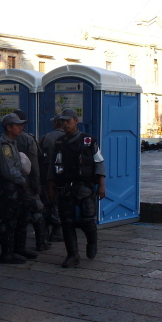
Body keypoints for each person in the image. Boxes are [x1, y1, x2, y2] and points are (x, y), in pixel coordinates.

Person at [47, 108, 106, 268]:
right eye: (62, 121)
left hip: (84, 187)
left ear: (75, 121)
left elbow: (98, 161)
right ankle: (72, 254)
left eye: (68, 121)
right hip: (65, 187)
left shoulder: (89, 140)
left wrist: (101, 184)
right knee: (67, 222)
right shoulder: (59, 143)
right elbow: (53, 164)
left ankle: (92, 242)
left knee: (87, 220)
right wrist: (51, 185)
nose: (65, 124)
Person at [0, 113, 34, 264]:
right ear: (9, 128)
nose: (21, 127)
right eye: (18, 125)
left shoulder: (12, 143)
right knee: (9, 221)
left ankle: (19, 249)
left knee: (21, 219)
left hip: (16, 189)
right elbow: (8, 171)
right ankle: (7, 253)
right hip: (9, 189)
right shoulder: (4, 147)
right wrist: (22, 181)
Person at [13, 109, 47, 252]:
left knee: (17, 212)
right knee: (37, 209)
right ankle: (41, 242)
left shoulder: (6, 138)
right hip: (28, 181)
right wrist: (36, 182)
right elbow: (34, 162)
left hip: (13, 182)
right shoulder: (28, 139)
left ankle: (17, 243)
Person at [38, 114, 64, 242]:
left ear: (56, 123)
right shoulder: (70, 137)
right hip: (63, 178)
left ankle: (44, 232)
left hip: (46, 177)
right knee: (60, 204)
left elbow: (39, 157)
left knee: (47, 204)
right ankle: (57, 231)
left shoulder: (46, 137)